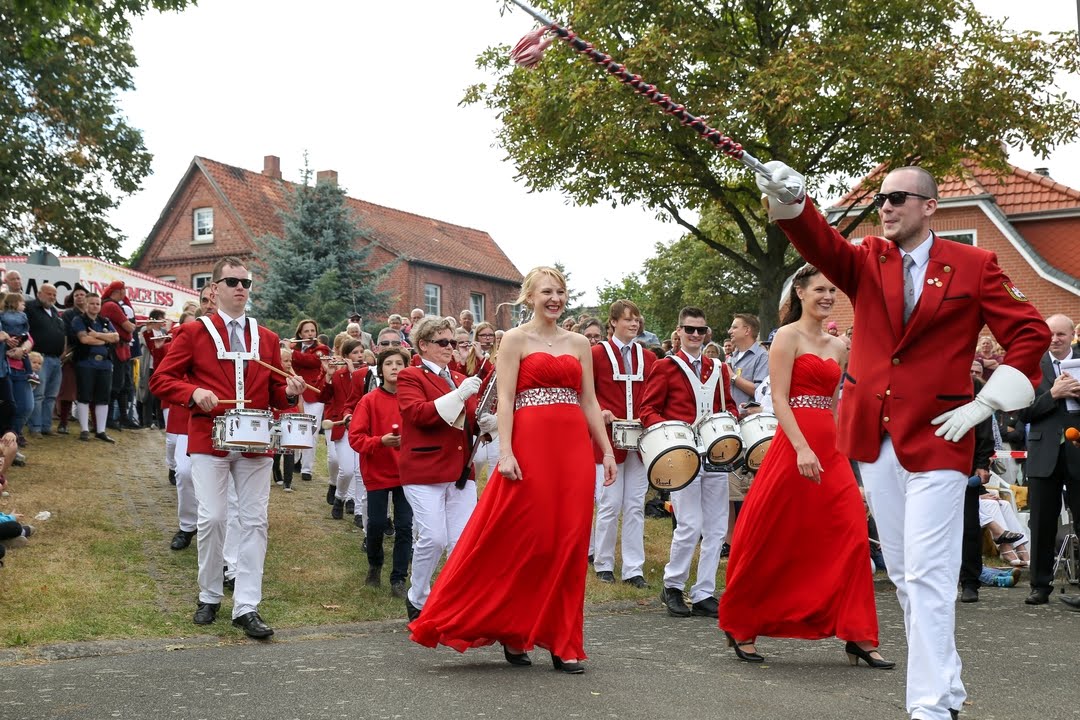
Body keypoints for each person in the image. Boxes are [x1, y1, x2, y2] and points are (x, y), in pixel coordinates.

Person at [757, 162, 1048, 720]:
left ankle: (931, 706)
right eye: (882, 199)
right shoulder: (867, 258)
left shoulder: (975, 264)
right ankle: (949, 684)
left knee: (927, 572)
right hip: (873, 437)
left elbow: (1030, 333)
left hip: (941, 436)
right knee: (907, 576)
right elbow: (818, 239)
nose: (885, 207)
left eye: (897, 198)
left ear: (929, 207)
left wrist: (986, 402)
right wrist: (791, 199)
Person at [409, 266, 616, 674]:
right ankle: (514, 631)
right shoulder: (515, 341)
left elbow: (589, 401)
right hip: (530, 445)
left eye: (560, 291)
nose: (554, 298)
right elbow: (504, 400)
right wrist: (506, 452)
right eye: (546, 292)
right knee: (528, 540)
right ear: (529, 297)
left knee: (569, 542)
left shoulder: (579, 344)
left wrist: (606, 451)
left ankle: (564, 640)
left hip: (573, 448)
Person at [719, 264, 889, 667]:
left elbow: (833, 406)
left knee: (850, 533)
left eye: (833, 289)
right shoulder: (785, 339)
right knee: (772, 536)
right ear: (799, 292)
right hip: (794, 444)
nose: (828, 296)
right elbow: (778, 398)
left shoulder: (837, 346)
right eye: (820, 289)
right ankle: (742, 624)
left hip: (829, 447)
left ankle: (859, 634)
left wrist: (844, 458)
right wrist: (801, 448)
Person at [150, 256, 306, 640]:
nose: (241, 288)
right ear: (215, 288)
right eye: (233, 282)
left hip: (255, 441)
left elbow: (274, 392)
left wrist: (287, 391)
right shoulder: (193, 333)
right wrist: (193, 392)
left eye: (246, 283)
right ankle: (209, 594)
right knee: (214, 518)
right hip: (208, 438)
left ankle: (247, 606)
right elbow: (161, 380)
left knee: (255, 521)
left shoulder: (267, 337)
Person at [640, 306, 738, 619]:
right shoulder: (666, 367)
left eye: (700, 330)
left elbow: (730, 406)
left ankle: (705, 591)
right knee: (690, 524)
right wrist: (670, 434)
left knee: (717, 527)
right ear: (679, 331)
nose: (695, 335)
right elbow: (648, 410)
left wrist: (732, 421)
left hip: (716, 453)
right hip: (682, 455)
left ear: (706, 333)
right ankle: (673, 585)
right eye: (689, 329)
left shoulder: (719, 368)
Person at [395, 315, 482, 622]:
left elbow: (469, 422)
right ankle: (417, 595)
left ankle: (454, 600)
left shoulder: (459, 377)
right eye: (442, 342)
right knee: (433, 538)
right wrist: (459, 395)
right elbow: (417, 414)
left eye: (453, 342)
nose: (450, 348)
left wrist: (487, 424)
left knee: (462, 542)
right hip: (424, 467)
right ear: (423, 345)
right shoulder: (410, 376)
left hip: (460, 469)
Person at [1015, 314, 1080, 607]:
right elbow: (1021, 413)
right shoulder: (1032, 366)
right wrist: (1053, 395)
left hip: (1077, 450)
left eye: (1061, 335)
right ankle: (1040, 586)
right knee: (1041, 523)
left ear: (1071, 336)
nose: (1055, 339)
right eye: (1050, 334)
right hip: (1043, 455)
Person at [590, 299, 656, 589]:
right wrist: (600, 410)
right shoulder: (596, 354)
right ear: (613, 322)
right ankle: (603, 562)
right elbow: (586, 393)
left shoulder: (650, 358)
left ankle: (633, 568)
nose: (634, 324)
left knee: (634, 505)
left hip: (640, 439)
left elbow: (655, 395)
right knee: (609, 503)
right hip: (608, 439)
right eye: (628, 319)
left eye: (637, 319)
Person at [349, 346, 413, 596]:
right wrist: (380, 442)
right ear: (380, 370)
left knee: (405, 526)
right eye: (389, 364)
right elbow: (356, 438)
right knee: (375, 523)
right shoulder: (369, 400)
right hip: (377, 470)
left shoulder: (413, 400)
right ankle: (375, 565)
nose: (395, 367)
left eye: (399, 363)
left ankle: (399, 578)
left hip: (408, 473)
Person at [70, 293, 118, 443]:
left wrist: (97, 335)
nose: (95, 306)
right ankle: (84, 429)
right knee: (84, 396)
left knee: (103, 399)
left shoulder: (105, 321)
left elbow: (116, 337)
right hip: (86, 363)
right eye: (92, 303)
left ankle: (101, 431)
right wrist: (105, 340)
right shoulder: (79, 320)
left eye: (97, 304)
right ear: (85, 304)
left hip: (105, 363)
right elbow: (84, 339)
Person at [289, 319, 330, 483]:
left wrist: (290, 352)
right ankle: (297, 460)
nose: (310, 334)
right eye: (306, 331)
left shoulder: (321, 349)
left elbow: (311, 361)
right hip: (296, 394)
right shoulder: (294, 347)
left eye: (312, 331)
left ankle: (307, 468)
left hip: (314, 395)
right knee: (296, 428)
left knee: (311, 431)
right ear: (300, 334)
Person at [25, 284, 65, 438]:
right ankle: (35, 427)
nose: (52, 297)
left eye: (54, 294)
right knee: (38, 394)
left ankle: (46, 426)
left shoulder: (54, 312)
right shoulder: (30, 308)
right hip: (38, 357)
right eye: (49, 294)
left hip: (56, 359)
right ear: (39, 293)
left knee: (51, 396)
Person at [1, 293, 34, 442]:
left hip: (17, 369)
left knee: (25, 406)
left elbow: (29, 339)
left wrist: (22, 350)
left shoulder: (21, 320)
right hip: (4, 369)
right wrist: (5, 345)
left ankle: (13, 436)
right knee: (8, 408)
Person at [727, 313, 769, 411]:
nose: (730, 331)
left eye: (734, 327)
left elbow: (759, 391)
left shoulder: (763, 357)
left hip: (750, 421)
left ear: (747, 330)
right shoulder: (731, 357)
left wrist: (732, 377)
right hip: (730, 418)